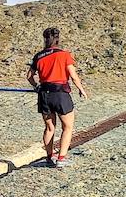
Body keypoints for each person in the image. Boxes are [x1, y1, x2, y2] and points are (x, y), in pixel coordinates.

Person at [27, 26, 88, 168]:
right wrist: (81, 89)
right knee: (67, 127)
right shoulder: (65, 55)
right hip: (60, 94)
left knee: (49, 128)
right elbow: (73, 76)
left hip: (44, 95)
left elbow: (29, 76)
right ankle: (61, 158)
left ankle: (49, 157)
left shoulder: (38, 56)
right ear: (57, 39)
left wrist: (37, 87)